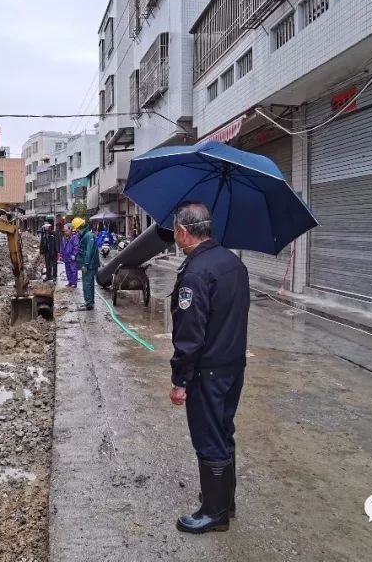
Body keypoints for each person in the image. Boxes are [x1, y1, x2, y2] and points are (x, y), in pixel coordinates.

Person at [167, 202, 250, 534]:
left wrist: (180, 379)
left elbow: (190, 334)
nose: (174, 236)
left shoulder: (197, 272)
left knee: (209, 437)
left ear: (184, 232)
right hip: (233, 365)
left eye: (175, 230)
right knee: (223, 430)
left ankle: (214, 512)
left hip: (208, 370)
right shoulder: (233, 263)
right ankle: (225, 501)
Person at [73, 217, 99, 310]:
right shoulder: (85, 235)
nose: (76, 231)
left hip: (89, 265)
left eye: (76, 229)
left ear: (79, 227)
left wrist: (85, 265)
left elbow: (89, 251)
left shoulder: (88, 236)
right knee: (89, 284)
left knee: (87, 284)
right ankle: (90, 303)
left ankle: (89, 304)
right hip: (89, 264)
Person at [60, 223, 79, 288]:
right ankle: (70, 282)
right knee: (67, 270)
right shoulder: (64, 238)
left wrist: (74, 254)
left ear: (70, 229)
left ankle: (74, 283)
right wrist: (61, 254)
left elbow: (76, 246)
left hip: (71, 256)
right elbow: (62, 246)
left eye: (66, 231)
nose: (65, 232)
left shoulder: (74, 237)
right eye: (64, 231)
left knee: (73, 270)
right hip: (66, 256)